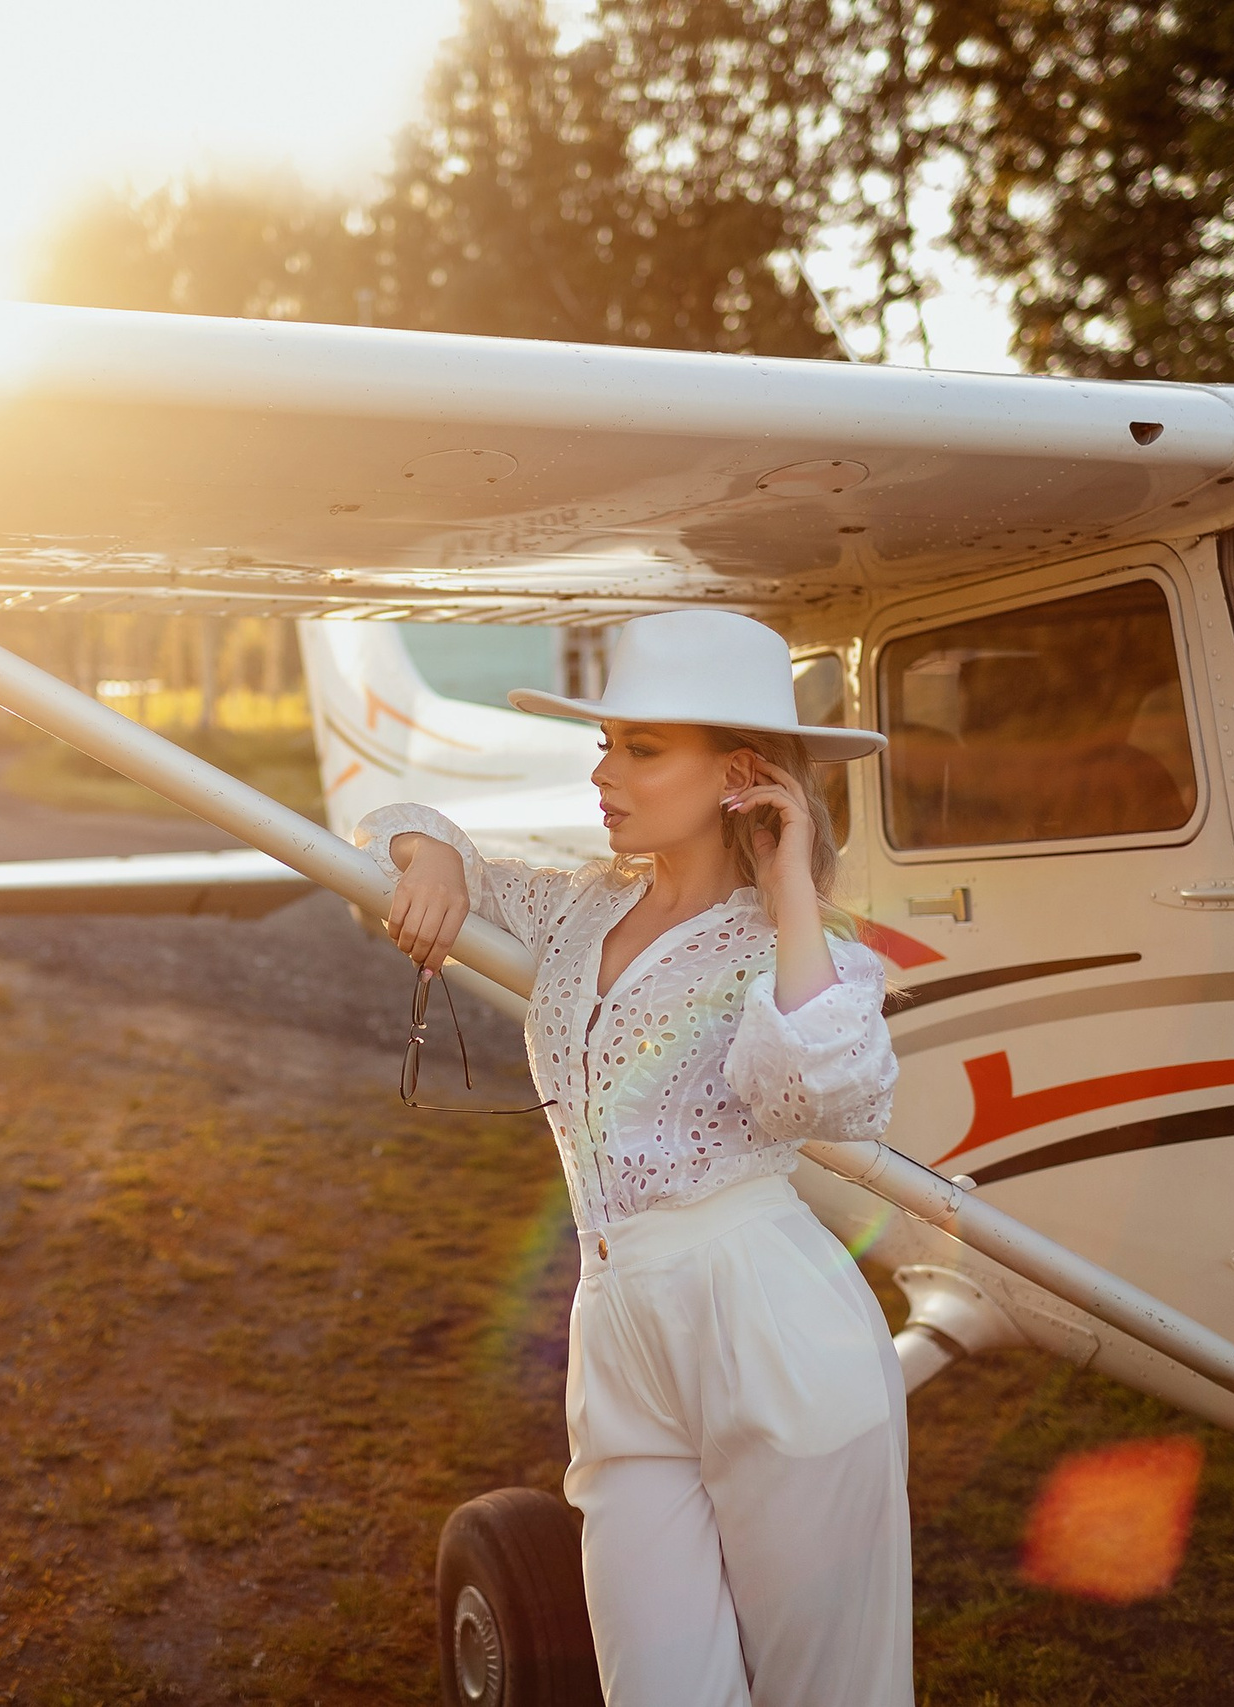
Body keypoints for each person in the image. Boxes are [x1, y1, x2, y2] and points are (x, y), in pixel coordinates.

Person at [357, 609, 912, 1707]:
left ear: (738, 776)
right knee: (652, 1683)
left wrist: (788, 875)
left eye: (640, 748)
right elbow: (396, 820)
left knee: (828, 1691)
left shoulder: (800, 949)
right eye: (603, 743)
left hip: (768, 1318)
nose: (601, 773)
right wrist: (423, 853)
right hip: (612, 1313)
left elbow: (827, 1100)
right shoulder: (577, 905)